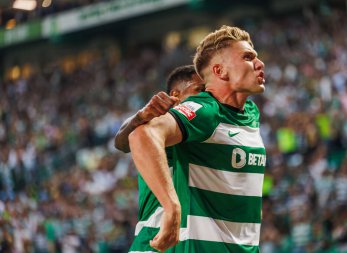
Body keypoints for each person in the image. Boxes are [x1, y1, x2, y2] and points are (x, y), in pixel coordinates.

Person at [128, 25, 266, 253]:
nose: (259, 64)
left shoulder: (250, 113)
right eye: (248, 57)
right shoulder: (205, 110)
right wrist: (172, 207)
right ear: (220, 71)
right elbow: (142, 134)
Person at [114, 65, 204, 253]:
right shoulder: (161, 120)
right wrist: (141, 116)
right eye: (199, 90)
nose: (205, 97)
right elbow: (122, 141)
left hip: (192, 239)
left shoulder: (207, 124)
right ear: (176, 95)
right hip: (154, 236)